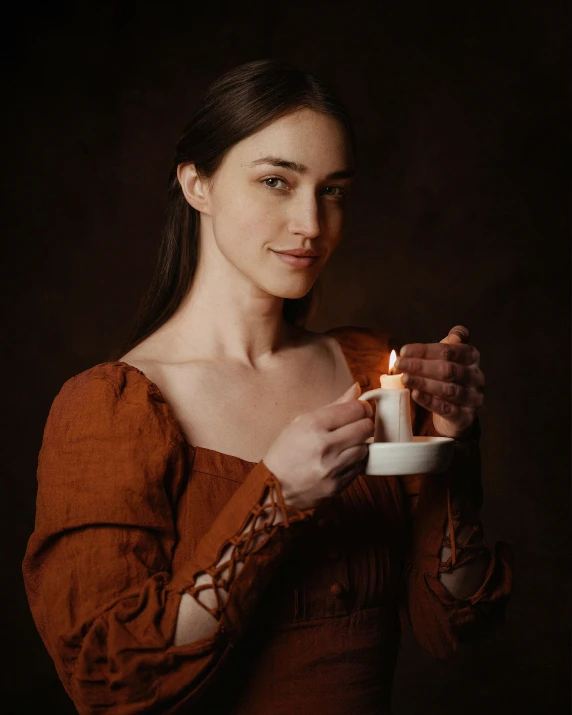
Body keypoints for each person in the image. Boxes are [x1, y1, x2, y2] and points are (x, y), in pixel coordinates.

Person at [23, 59, 512, 715]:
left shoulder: (372, 368)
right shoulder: (112, 408)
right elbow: (109, 677)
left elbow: (455, 616)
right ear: (197, 182)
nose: (311, 223)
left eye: (333, 190)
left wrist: (450, 443)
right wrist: (274, 499)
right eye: (277, 181)